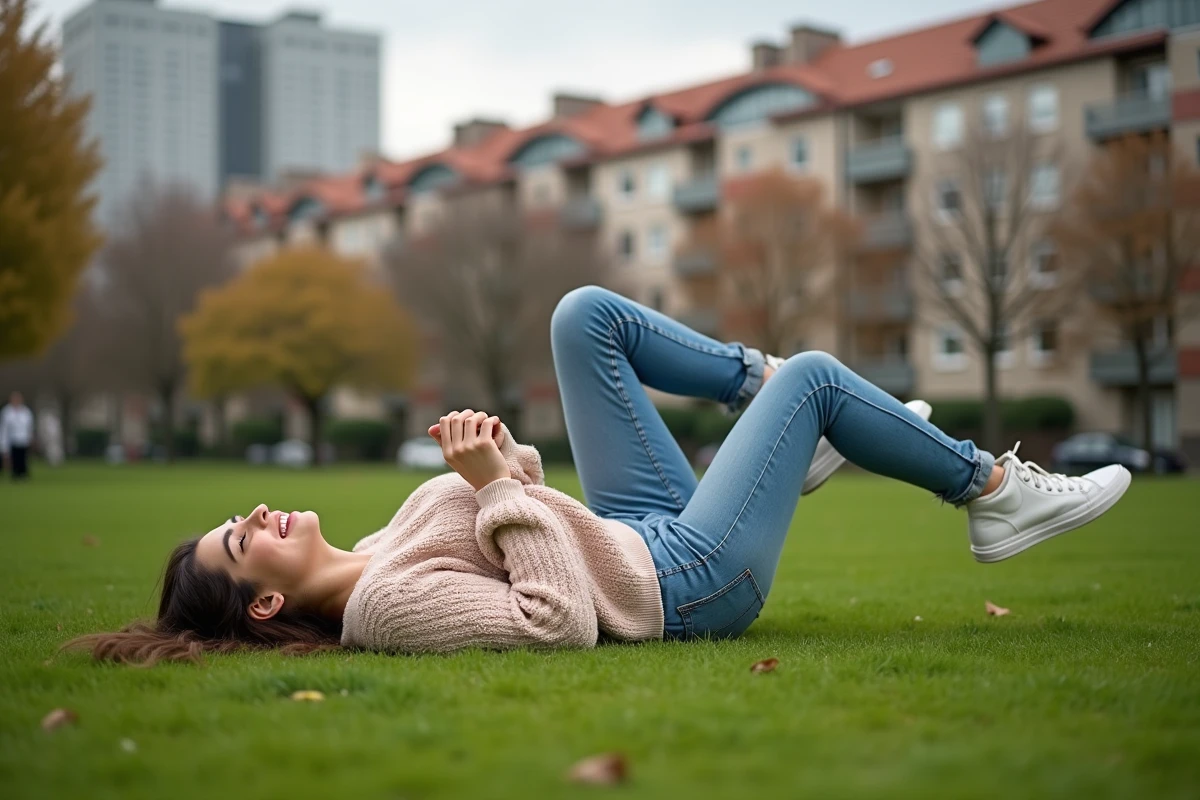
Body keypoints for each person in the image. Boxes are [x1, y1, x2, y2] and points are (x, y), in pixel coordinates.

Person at [68, 287, 1130, 664]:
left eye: (238, 515)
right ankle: (993, 494)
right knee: (815, 378)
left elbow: (529, 500)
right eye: (241, 537)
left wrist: (503, 461)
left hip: (630, 526)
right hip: (685, 580)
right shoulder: (385, 607)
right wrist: (494, 486)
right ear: (264, 601)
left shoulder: (380, 543)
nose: (255, 513)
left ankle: (765, 402)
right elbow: (555, 622)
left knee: (583, 317)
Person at [1, 391, 35, 481]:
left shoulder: (26, 412)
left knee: (23, 459)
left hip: (24, 439)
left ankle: (23, 474)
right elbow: (4, 428)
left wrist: (30, 438)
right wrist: (3, 444)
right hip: (13, 440)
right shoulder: (7, 412)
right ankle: (15, 475)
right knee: (14, 458)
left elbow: (30, 426)